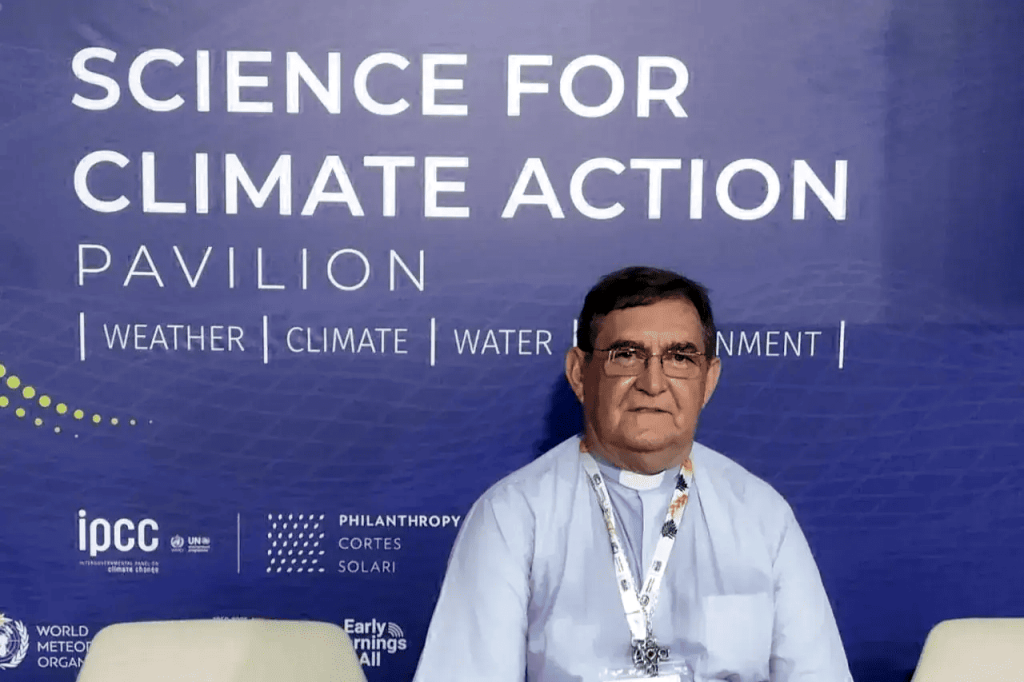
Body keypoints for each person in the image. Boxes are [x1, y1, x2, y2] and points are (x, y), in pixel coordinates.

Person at [413, 266, 852, 682]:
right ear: (580, 373)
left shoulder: (762, 515)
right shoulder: (512, 515)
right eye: (626, 355)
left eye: (680, 357)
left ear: (708, 379)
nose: (653, 383)